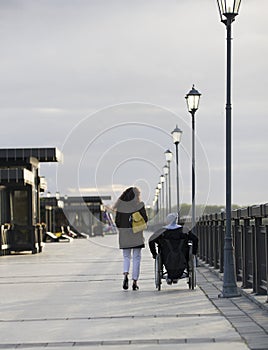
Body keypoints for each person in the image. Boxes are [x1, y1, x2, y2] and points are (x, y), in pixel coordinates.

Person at [114, 187, 148, 291]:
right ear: (136, 195)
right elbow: (145, 219)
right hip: (136, 234)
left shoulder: (120, 206)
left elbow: (117, 222)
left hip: (124, 236)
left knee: (126, 257)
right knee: (137, 257)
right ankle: (134, 282)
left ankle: (125, 275)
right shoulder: (139, 205)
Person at [148, 213, 198, 284]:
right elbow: (195, 239)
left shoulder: (162, 231)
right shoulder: (184, 230)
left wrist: (154, 254)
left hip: (166, 257)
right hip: (183, 256)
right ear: (176, 220)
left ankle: (170, 276)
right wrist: (194, 253)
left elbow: (151, 240)